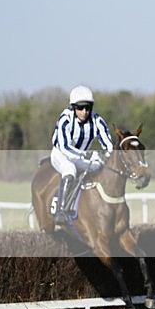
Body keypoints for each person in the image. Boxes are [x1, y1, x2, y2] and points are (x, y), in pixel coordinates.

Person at [50, 85, 115, 225]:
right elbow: (65, 147)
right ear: (73, 107)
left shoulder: (97, 121)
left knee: (100, 169)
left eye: (88, 107)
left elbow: (109, 146)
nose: (84, 112)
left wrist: (105, 156)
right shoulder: (65, 119)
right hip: (61, 154)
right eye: (80, 108)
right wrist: (87, 155)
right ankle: (60, 211)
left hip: (82, 157)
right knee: (70, 170)